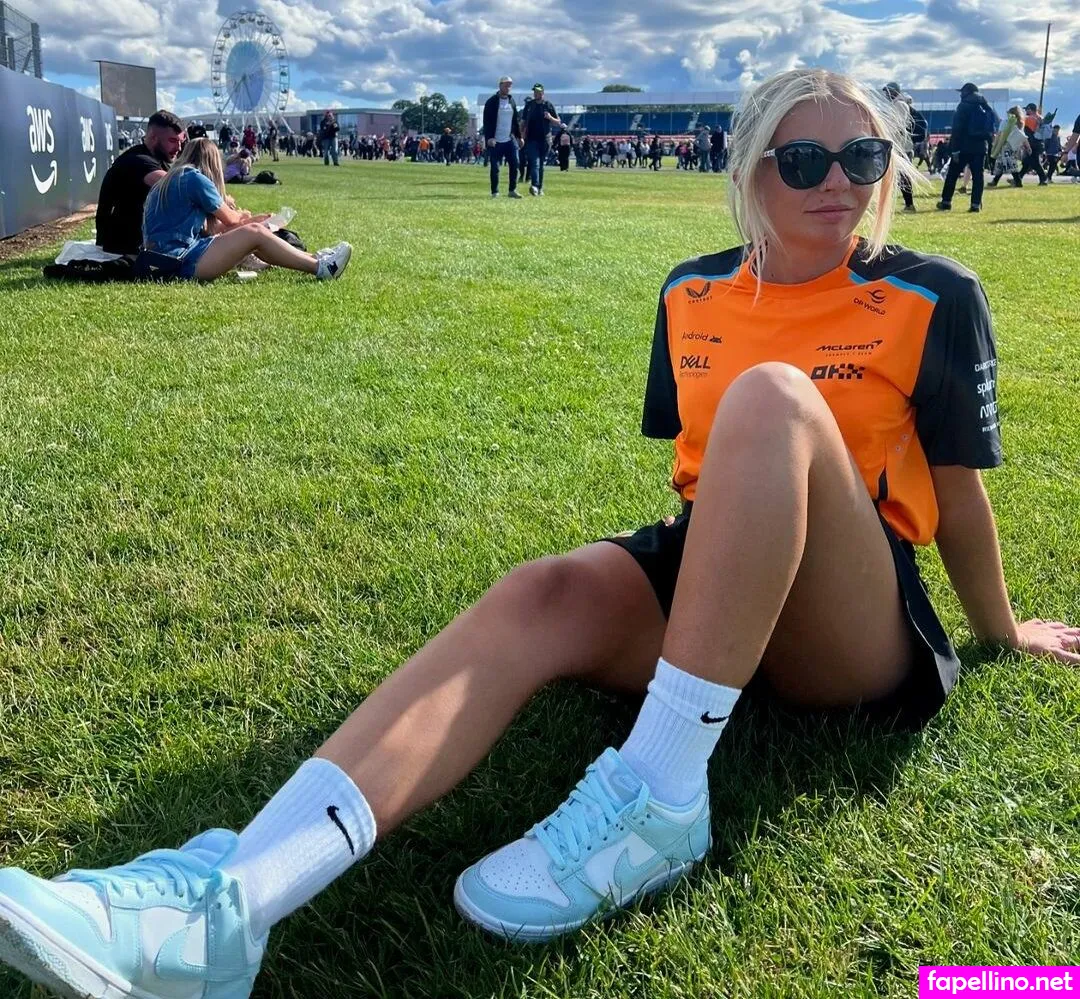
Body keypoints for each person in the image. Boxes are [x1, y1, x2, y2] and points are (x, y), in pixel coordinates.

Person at [4, 66, 1080, 999]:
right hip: (718, 558)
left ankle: (660, 792)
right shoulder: (693, 291)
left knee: (772, 399)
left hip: (854, 614)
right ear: (752, 171)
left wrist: (1001, 630)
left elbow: (955, 494)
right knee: (539, 591)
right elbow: (701, 483)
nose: (837, 181)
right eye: (804, 162)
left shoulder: (933, 293)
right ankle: (224, 903)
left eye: (862, 156)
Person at [134, 138, 351, 283]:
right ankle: (321, 267)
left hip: (161, 261)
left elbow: (212, 230)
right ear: (213, 162)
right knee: (254, 233)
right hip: (178, 262)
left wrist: (252, 221)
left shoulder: (170, 180)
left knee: (255, 234)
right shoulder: (192, 178)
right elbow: (231, 221)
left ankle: (314, 258)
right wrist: (248, 217)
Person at [94, 109, 185, 256]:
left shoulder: (157, 159)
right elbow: (180, 188)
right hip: (121, 245)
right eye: (173, 141)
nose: (179, 148)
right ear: (153, 137)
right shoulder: (138, 160)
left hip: (137, 241)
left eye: (181, 141)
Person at [937, 82, 996, 213]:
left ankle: (946, 202)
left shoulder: (963, 106)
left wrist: (954, 149)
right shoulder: (985, 106)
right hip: (980, 147)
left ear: (966, 92)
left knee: (952, 175)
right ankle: (975, 204)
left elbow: (957, 129)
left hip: (963, 147)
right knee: (978, 177)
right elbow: (991, 127)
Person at [483, 75, 524, 199]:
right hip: (495, 140)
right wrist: (489, 138)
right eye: (506, 85)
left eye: (510, 85)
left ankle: (512, 190)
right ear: (500, 86)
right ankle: (495, 191)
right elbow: (487, 122)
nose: (508, 87)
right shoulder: (491, 102)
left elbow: (515, 121)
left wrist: (519, 137)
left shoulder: (512, 101)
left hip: (509, 139)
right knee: (495, 167)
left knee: (515, 163)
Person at [521, 83, 563, 196]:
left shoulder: (548, 105)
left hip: (545, 139)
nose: (536, 93)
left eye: (538, 92)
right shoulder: (529, 105)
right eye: (534, 91)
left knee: (540, 165)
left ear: (542, 93)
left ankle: (539, 188)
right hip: (531, 138)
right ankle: (535, 186)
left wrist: (550, 117)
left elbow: (558, 122)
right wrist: (521, 135)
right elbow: (523, 122)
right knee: (534, 162)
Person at [883, 82, 917, 212]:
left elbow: (898, 126)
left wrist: (884, 131)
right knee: (895, 176)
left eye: (889, 91)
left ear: (895, 92)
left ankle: (909, 204)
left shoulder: (900, 105)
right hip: (897, 146)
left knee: (902, 176)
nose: (887, 94)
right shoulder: (895, 105)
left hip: (901, 146)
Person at [987, 107, 1028, 188]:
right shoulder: (1020, 123)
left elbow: (1000, 134)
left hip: (1005, 144)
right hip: (1014, 145)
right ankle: (995, 181)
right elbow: (1022, 135)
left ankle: (1018, 181)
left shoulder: (1005, 122)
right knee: (1002, 163)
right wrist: (1027, 146)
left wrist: (995, 145)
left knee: (1010, 163)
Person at [1016, 103, 1048, 186]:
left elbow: (1020, 126)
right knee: (1027, 162)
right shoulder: (1041, 118)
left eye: (1026, 109)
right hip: (1040, 143)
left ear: (1030, 109)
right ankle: (1018, 178)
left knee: (1034, 162)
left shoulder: (1029, 119)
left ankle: (1044, 179)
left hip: (1032, 143)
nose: (1025, 111)